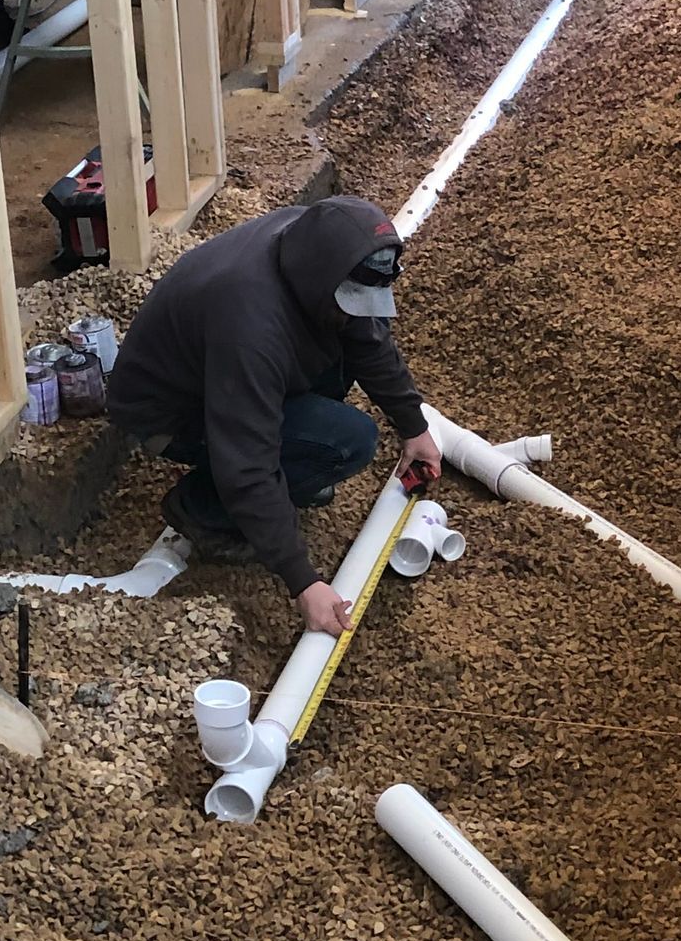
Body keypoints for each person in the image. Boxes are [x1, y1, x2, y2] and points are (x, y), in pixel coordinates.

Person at [107, 197, 443, 638]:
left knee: (338, 360)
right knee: (350, 439)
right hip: (168, 414)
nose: (359, 308)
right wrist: (303, 580)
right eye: (352, 299)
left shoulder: (317, 247)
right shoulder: (249, 328)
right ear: (325, 280)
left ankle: (282, 475)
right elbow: (247, 461)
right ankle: (202, 507)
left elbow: (368, 336)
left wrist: (413, 426)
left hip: (219, 376)